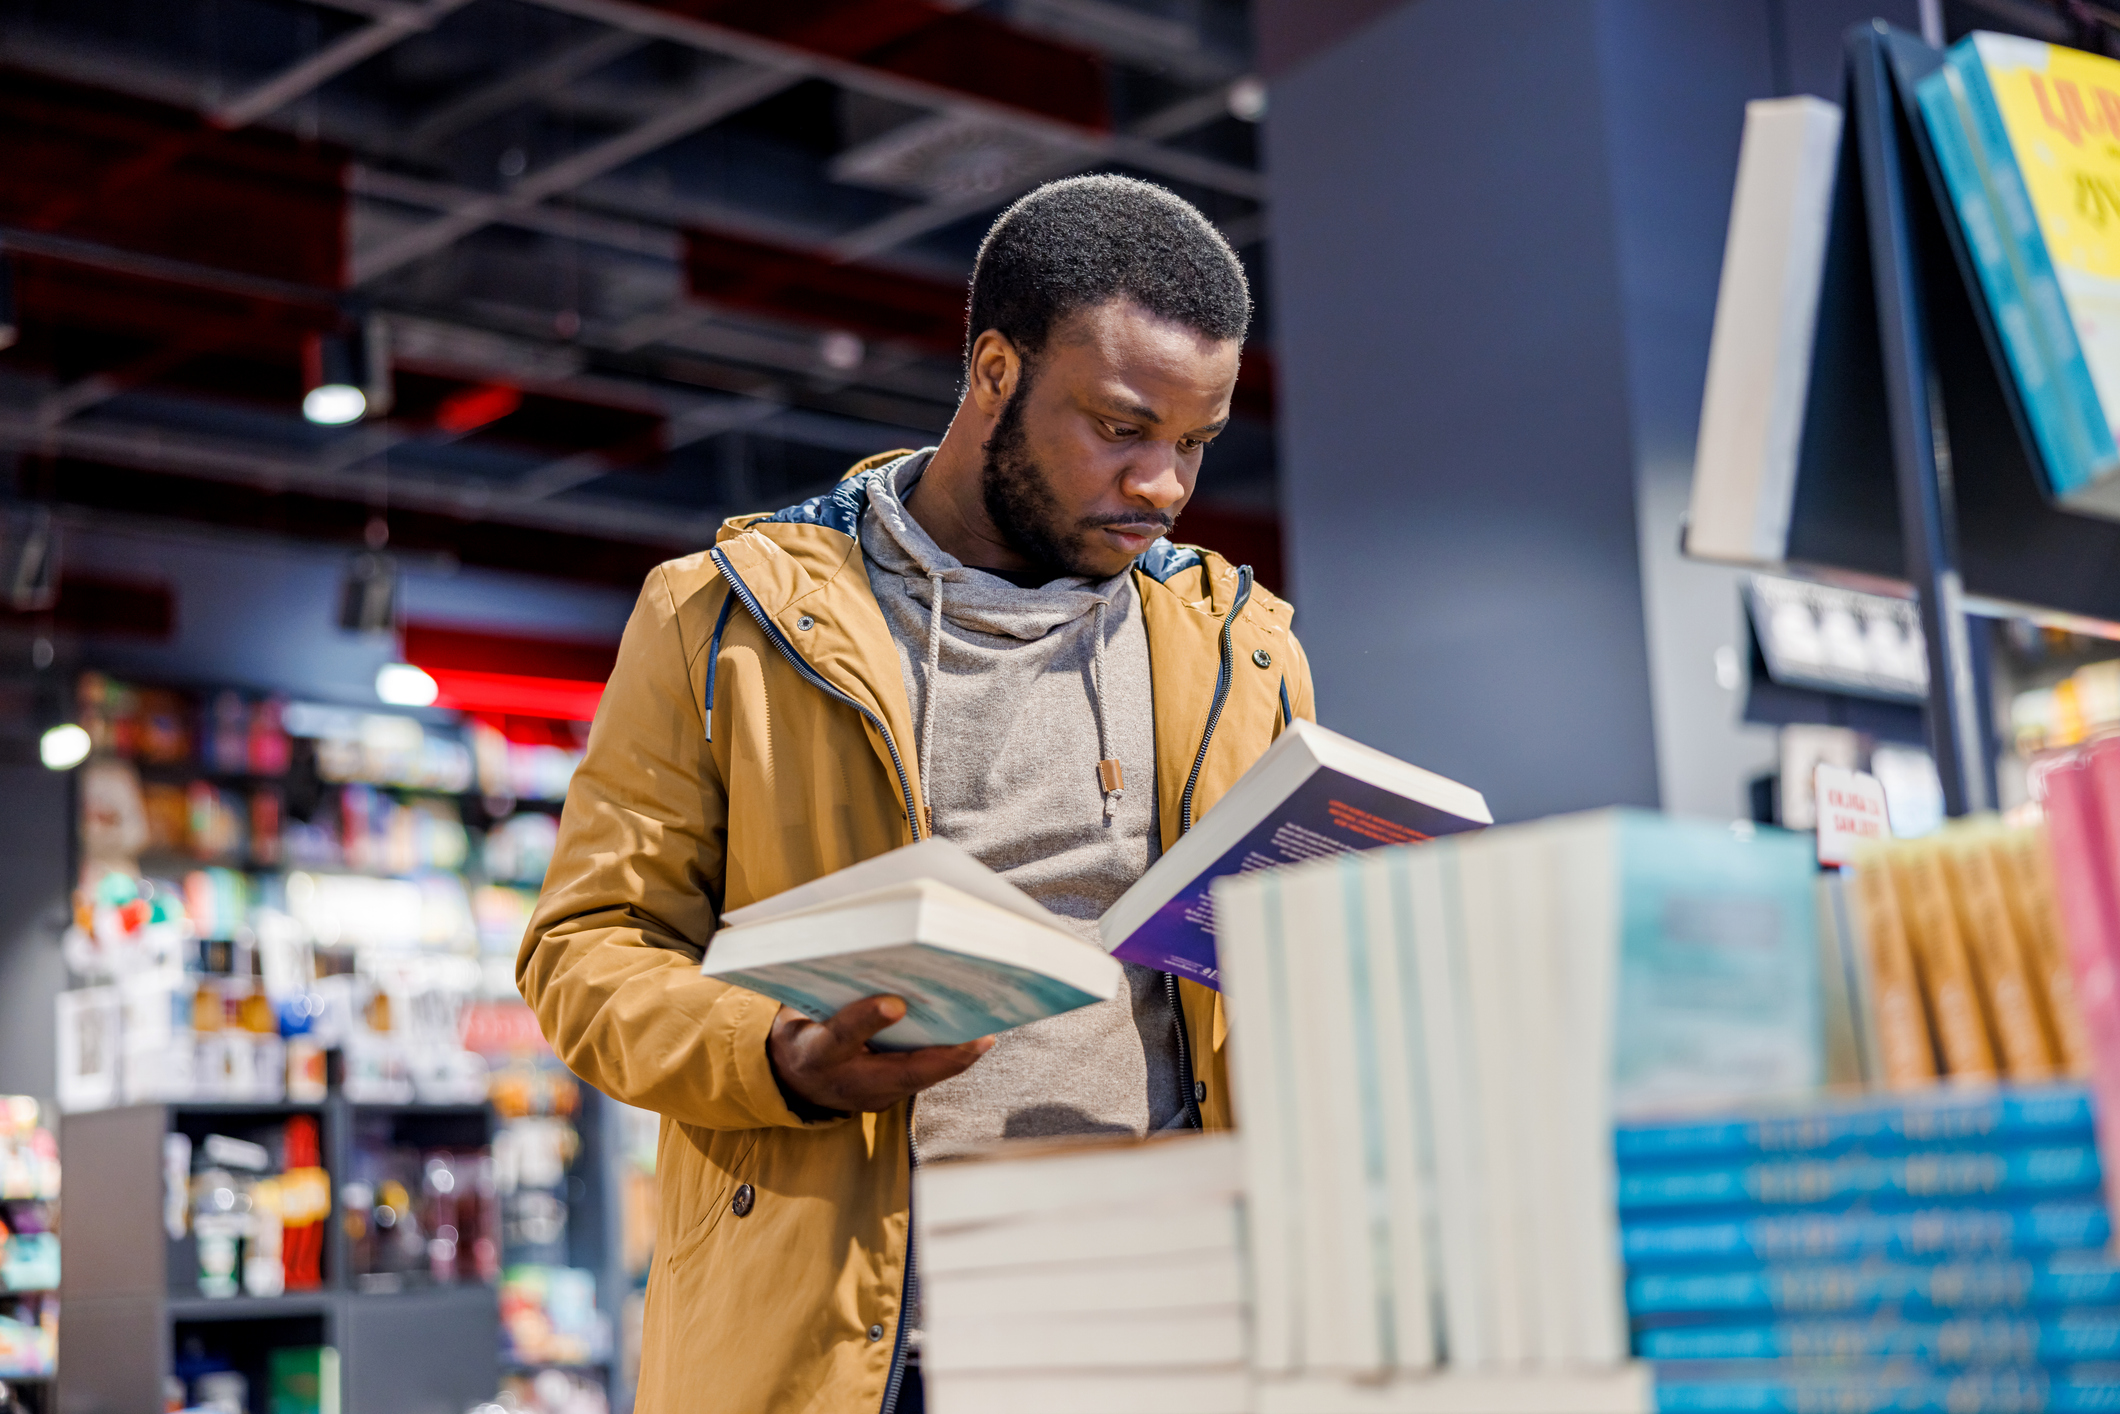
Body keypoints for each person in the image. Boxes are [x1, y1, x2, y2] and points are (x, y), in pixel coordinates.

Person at [520, 175, 1316, 1414]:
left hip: (1161, 1330)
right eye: (1120, 427)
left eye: (1194, 443)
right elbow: (586, 950)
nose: (1163, 485)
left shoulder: (1239, 646)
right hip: (864, 1346)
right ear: (994, 370)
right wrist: (774, 1055)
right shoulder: (724, 620)